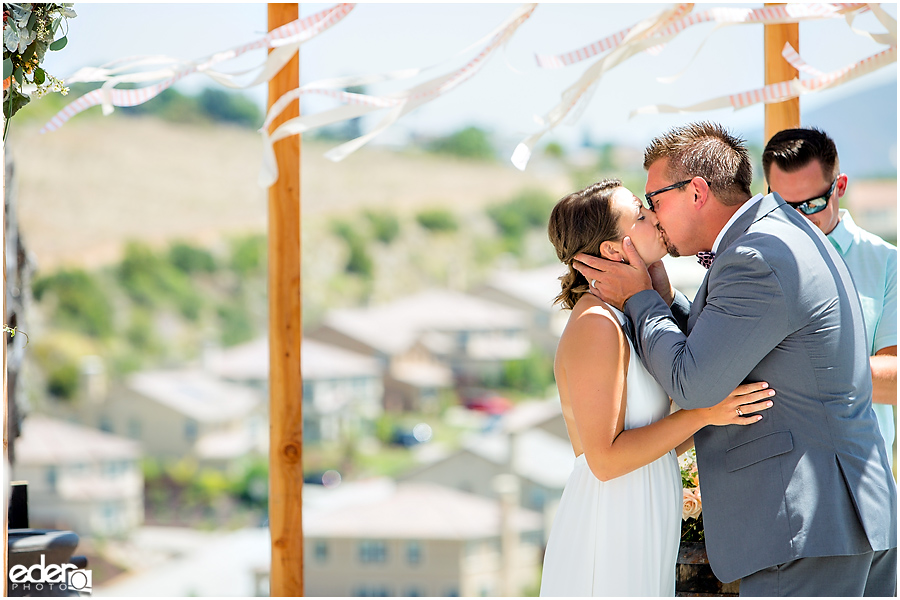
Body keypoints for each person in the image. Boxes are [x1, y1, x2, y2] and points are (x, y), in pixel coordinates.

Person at [574, 122, 897, 596]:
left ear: (697, 191)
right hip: (838, 522)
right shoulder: (776, 233)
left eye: (656, 201)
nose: (653, 218)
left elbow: (695, 383)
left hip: (805, 529)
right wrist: (664, 297)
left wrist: (640, 299)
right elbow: (732, 341)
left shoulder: (755, 255)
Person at [540, 178, 774, 597]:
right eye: (642, 215)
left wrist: (717, 411)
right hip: (610, 521)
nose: (656, 217)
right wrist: (702, 413)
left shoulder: (629, 318)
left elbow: (652, 441)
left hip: (644, 510)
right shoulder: (596, 324)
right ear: (614, 251)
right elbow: (606, 460)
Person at [762, 127, 897, 466]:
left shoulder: (886, 263)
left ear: (840, 186)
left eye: (811, 204)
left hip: (858, 471)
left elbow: (894, 380)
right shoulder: (754, 261)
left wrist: (802, 368)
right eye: (784, 206)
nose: (799, 219)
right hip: (777, 477)